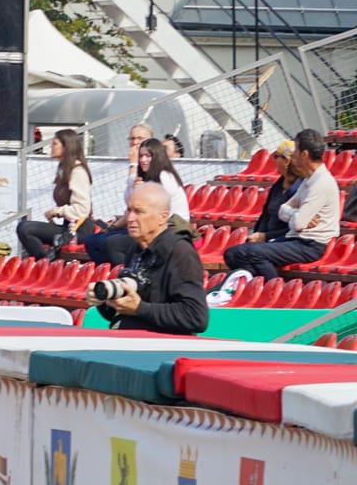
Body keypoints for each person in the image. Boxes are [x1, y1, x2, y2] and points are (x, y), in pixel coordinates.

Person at [222, 128, 338, 281]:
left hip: (309, 244)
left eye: (296, 150)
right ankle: (260, 285)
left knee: (247, 253)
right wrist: (296, 214)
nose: (294, 154)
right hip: (294, 240)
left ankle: (271, 287)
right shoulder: (309, 180)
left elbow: (297, 224)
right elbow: (283, 210)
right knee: (232, 254)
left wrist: (296, 216)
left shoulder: (321, 183)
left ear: (304, 154)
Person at [92, 182, 207, 335]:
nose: (130, 218)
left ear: (163, 217)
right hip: (131, 339)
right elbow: (123, 312)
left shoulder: (180, 251)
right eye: (129, 211)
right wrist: (103, 300)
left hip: (163, 345)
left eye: (139, 212)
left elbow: (195, 317)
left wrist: (140, 308)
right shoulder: (136, 248)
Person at [92, 137, 188, 266]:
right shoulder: (145, 177)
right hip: (147, 226)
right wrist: (134, 183)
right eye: (141, 156)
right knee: (93, 241)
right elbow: (129, 203)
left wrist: (138, 183)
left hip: (170, 228)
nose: (143, 160)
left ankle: (130, 273)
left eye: (148, 156)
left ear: (157, 157)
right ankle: (106, 273)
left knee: (113, 244)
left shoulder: (165, 177)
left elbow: (152, 206)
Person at [17, 128, 92, 259]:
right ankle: (44, 261)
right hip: (68, 227)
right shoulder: (64, 169)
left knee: (26, 228)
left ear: (66, 146)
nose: (51, 147)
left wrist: (58, 211)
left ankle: (44, 262)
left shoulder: (77, 171)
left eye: (55, 143)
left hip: (79, 230)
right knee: (25, 228)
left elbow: (82, 210)